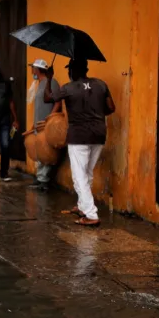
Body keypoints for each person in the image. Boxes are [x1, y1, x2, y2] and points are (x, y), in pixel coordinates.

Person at [44, 59, 115, 226]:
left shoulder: (68, 88)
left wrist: (49, 78)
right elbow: (111, 108)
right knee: (87, 172)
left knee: (79, 175)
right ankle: (83, 206)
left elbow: (47, 98)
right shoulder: (100, 84)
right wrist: (96, 113)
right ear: (86, 69)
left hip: (79, 136)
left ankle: (91, 214)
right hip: (98, 133)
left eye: (70, 70)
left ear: (72, 72)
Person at [29, 59, 62, 190]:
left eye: (33, 68)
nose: (32, 70)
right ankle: (40, 178)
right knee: (40, 151)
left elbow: (57, 102)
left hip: (46, 123)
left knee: (47, 151)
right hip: (39, 123)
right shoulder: (39, 83)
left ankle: (44, 180)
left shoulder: (51, 82)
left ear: (37, 69)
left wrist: (49, 118)